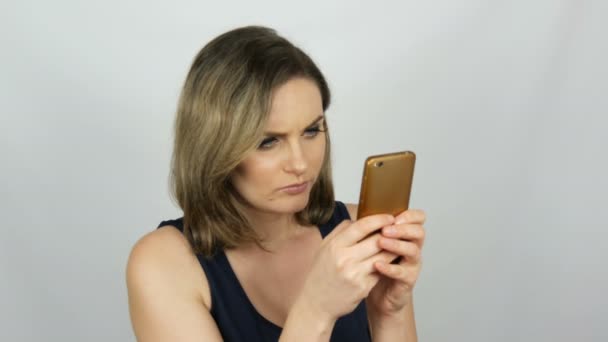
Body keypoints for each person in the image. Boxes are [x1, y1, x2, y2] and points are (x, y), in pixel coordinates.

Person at [126, 25, 426, 342]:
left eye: (312, 131)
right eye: (268, 142)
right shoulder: (163, 264)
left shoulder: (356, 232)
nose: (300, 163)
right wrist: (316, 309)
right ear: (213, 148)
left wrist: (387, 313)